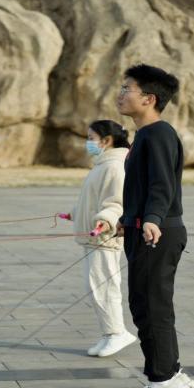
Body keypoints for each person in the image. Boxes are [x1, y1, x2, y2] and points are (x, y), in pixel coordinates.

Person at [116, 63, 194, 388]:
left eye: (127, 89)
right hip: (143, 229)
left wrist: (151, 219)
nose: (121, 94)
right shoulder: (144, 135)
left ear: (149, 99)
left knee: (153, 307)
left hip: (158, 232)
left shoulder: (159, 134)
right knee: (143, 305)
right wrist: (128, 219)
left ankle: (163, 379)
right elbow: (142, 186)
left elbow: (163, 184)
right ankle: (170, 373)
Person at [67, 120, 137, 357]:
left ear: (106, 140)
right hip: (94, 237)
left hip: (105, 237)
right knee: (95, 286)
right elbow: (92, 201)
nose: (88, 142)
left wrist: (105, 220)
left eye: (91, 138)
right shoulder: (102, 165)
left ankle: (117, 333)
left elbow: (117, 203)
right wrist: (75, 214)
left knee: (104, 286)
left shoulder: (115, 166)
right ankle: (109, 334)